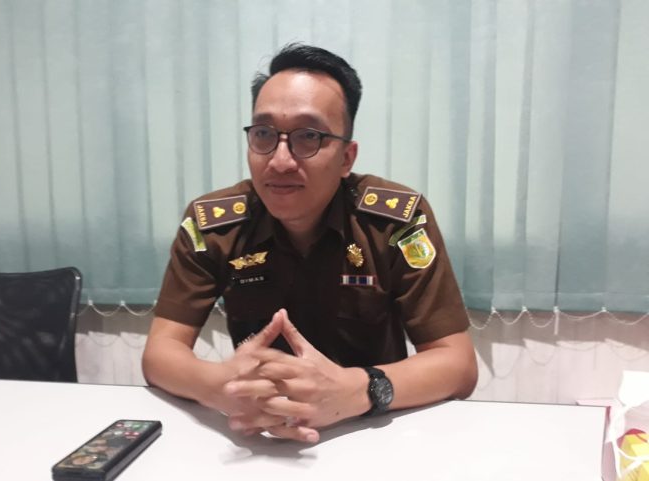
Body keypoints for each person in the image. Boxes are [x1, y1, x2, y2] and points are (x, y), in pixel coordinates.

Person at [142, 43, 477, 443]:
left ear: (347, 158)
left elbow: (458, 365)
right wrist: (218, 386)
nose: (280, 161)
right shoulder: (213, 224)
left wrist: (357, 390)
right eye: (264, 134)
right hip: (257, 438)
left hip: (370, 435)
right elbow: (160, 353)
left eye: (308, 137)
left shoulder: (395, 222)